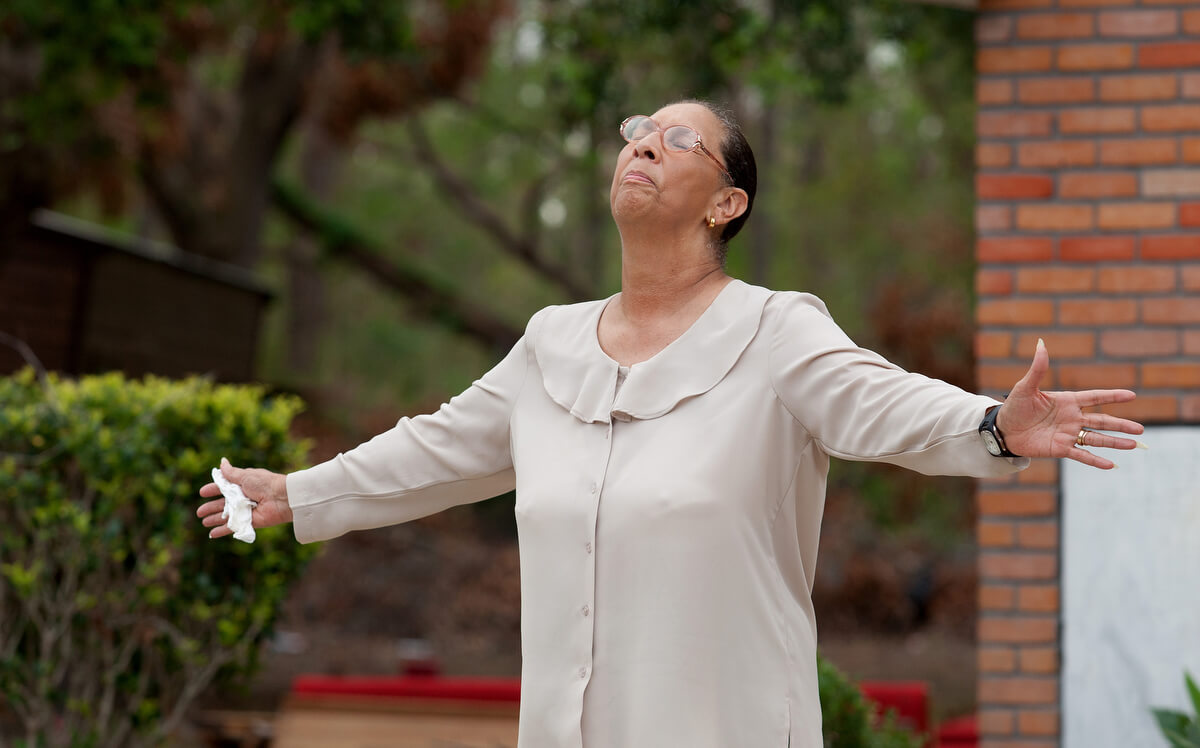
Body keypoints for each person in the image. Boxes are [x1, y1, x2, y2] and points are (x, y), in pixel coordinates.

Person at [197, 100, 1145, 748]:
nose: (643, 145)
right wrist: (298, 495)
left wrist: (994, 425)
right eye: (637, 132)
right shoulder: (548, 346)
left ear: (728, 203)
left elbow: (885, 403)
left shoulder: (777, 332)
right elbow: (435, 449)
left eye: (677, 141)